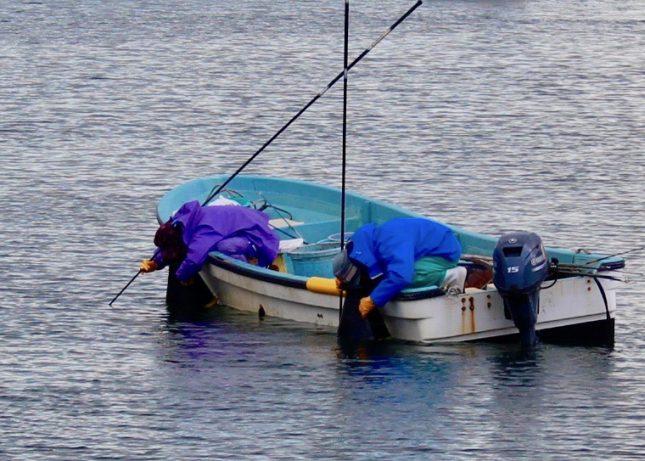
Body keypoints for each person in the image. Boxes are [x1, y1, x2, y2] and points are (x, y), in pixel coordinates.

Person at [333, 217, 467, 319]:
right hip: (421, 247)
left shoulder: (391, 245)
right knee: (391, 275)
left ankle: (452, 275)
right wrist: (342, 277)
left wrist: (373, 300)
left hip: (443, 251)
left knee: (408, 277)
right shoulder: (363, 240)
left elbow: (401, 276)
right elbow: (352, 253)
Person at [139, 200, 280, 283]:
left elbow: (194, 259)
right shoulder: (179, 221)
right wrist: (155, 262)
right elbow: (172, 246)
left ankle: (249, 267)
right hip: (236, 225)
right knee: (216, 246)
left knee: (224, 247)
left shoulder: (204, 232)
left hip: (255, 234)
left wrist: (181, 277)